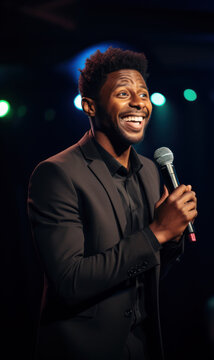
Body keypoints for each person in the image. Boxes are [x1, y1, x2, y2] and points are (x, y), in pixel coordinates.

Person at [27, 47, 197, 360]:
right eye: (123, 93)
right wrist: (157, 232)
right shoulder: (56, 174)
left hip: (142, 344)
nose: (139, 103)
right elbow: (70, 282)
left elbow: (145, 268)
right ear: (89, 106)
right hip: (83, 350)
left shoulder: (148, 169)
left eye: (144, 94)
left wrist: (172, 239)